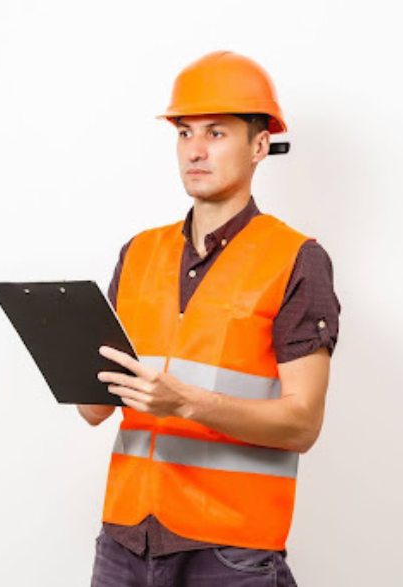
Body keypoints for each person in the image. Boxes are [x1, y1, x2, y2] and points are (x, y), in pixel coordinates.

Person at [78, 50, 341, 586]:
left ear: (259, 145)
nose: (195, 151)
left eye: (216, 134)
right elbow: (93, 410)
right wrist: (59, 348)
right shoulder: (139, 253)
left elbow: (303, 423)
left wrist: (186, 403)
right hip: (125, 541)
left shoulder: (295, 259)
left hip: (231, 554)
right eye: (184, 133)